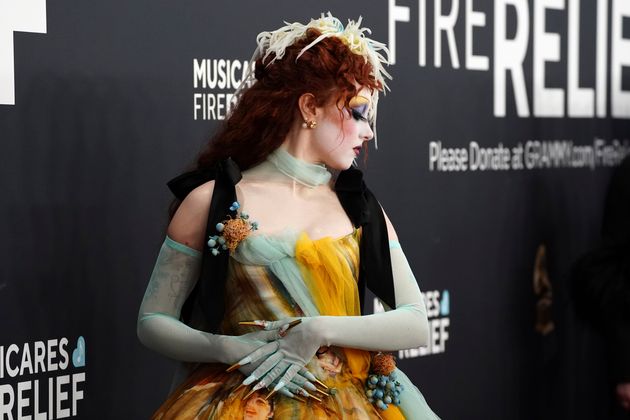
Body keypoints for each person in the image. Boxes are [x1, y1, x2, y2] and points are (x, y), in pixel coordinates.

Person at [137, 13, 439, 419]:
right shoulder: (212, 201)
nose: (368, 133)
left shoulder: (360, 207)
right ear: (309, 107)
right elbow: (153, 320)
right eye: (359, 113)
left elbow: (415, 323)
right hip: (240, 400)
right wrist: (227, 349)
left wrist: (319, 329)